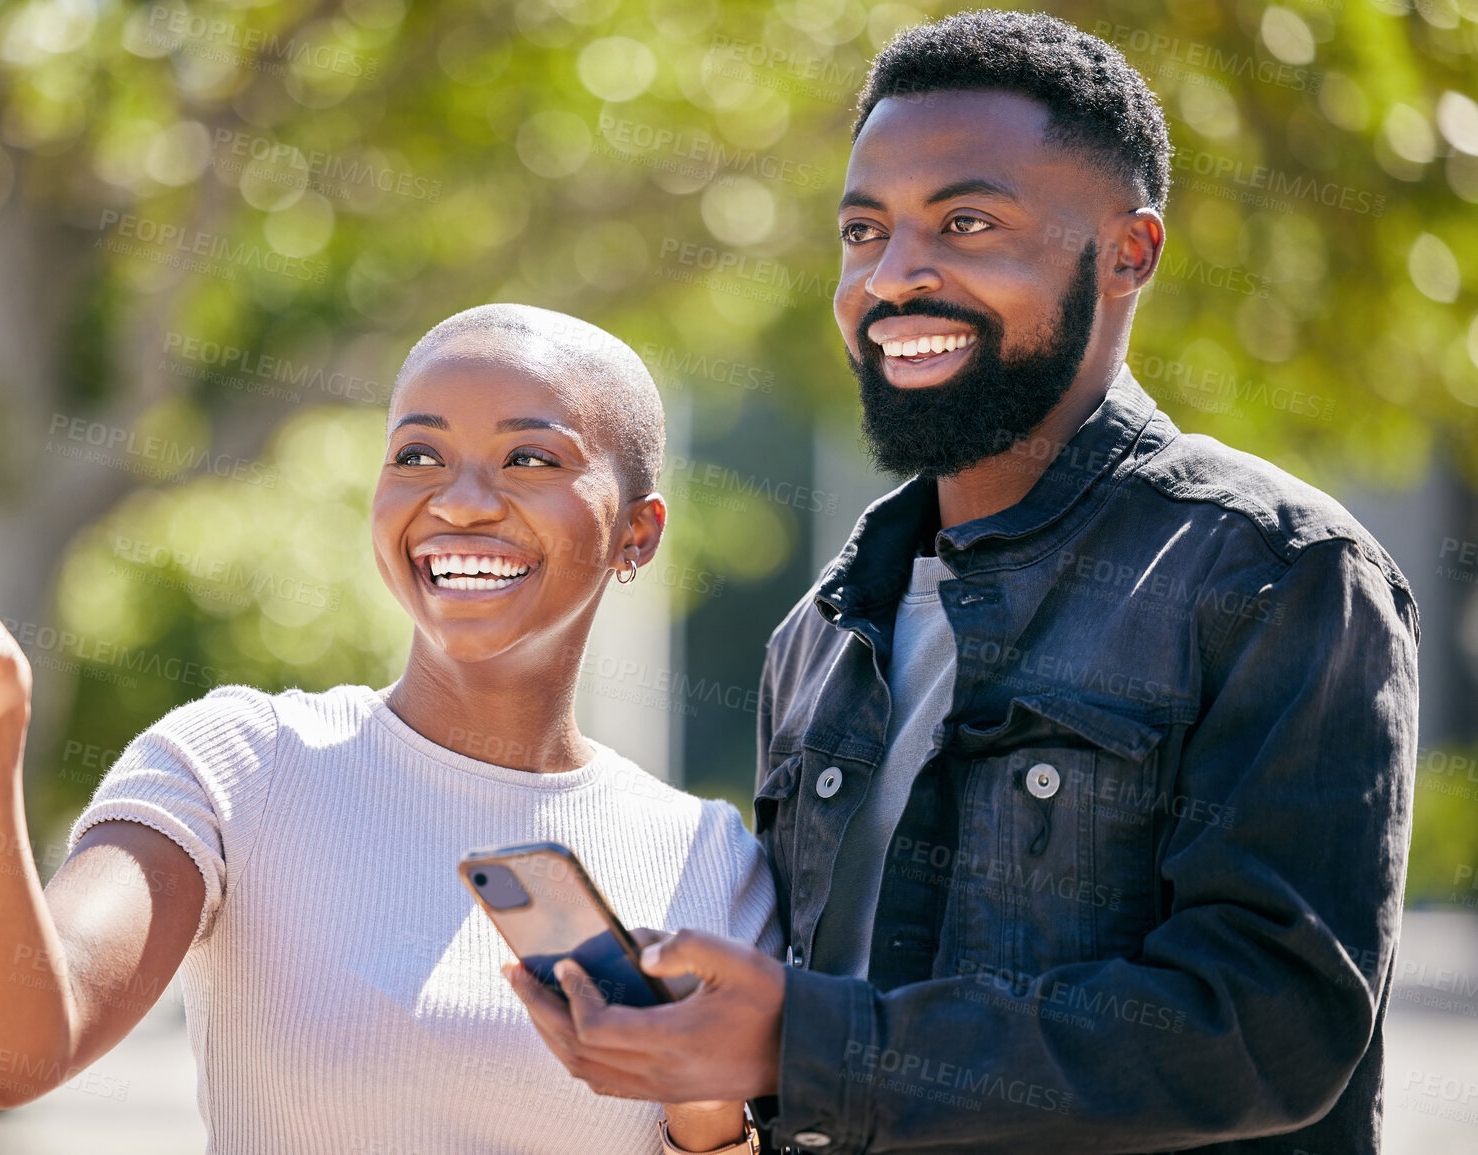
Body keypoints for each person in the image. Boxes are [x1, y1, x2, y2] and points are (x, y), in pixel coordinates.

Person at [505, 12, 1420, 1155]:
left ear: (1129, 253)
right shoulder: (823, 632)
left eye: (968, 222)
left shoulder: (1276, 573)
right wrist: (705, 1061)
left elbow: (1270, 1031)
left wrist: (806, 1041)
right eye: (862, 230)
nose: (893, 279)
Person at [0, 303, 779, 1155]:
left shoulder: (711, 860)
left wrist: (706, 1118)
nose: (459, 500)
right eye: (418, 455)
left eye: (532, 458)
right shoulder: (239, 763)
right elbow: (15, 1053)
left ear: (638, 533)